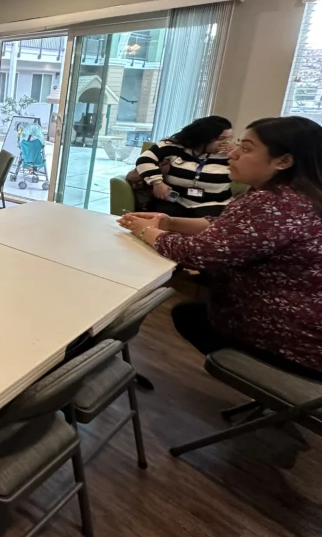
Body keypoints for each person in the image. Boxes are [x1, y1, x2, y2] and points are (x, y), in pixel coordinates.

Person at [120, 116, 322, 379]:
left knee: (189, 317)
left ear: (283, 161)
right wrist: (168, 222)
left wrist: (145, 230)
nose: (233, 154)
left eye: (246, 148)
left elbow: (199, 253)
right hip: (310, 329)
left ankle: (267, 378)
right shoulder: (299, 195)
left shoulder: (274, 203)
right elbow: (227, 227)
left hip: (294, 340)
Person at [134, 115, 234, 218]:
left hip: (215, 204)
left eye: (229, 138)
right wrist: (157, 182)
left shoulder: (230, 154)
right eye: (221, 139)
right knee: (161, 219)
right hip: (176, 201)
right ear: (204, 137)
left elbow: (249, 173)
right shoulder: (174, 146)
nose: (226, 143)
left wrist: (238, 152)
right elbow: (144, 160)